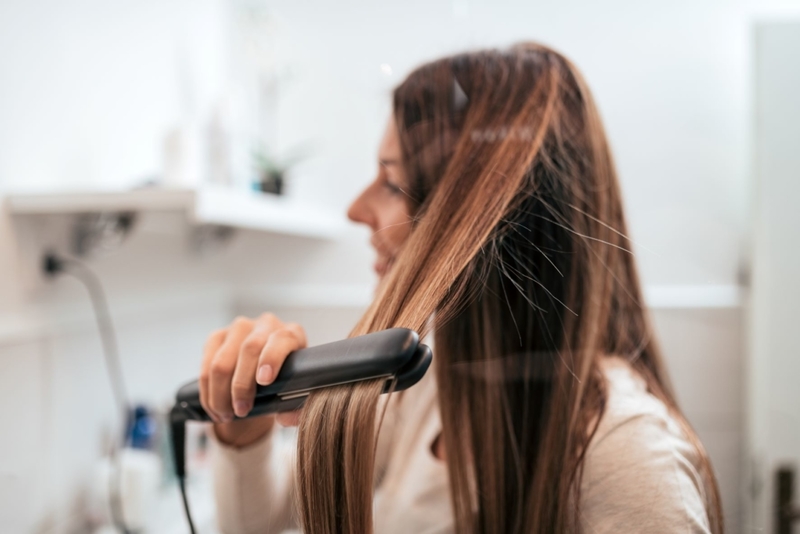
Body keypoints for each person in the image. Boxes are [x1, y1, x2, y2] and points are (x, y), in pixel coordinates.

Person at [198, 43, 723, 533]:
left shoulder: (623, 454)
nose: (356, 211)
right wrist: (244, 425)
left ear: (483, 217)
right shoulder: (428, 380)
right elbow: (260, 521)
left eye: (391, 182)